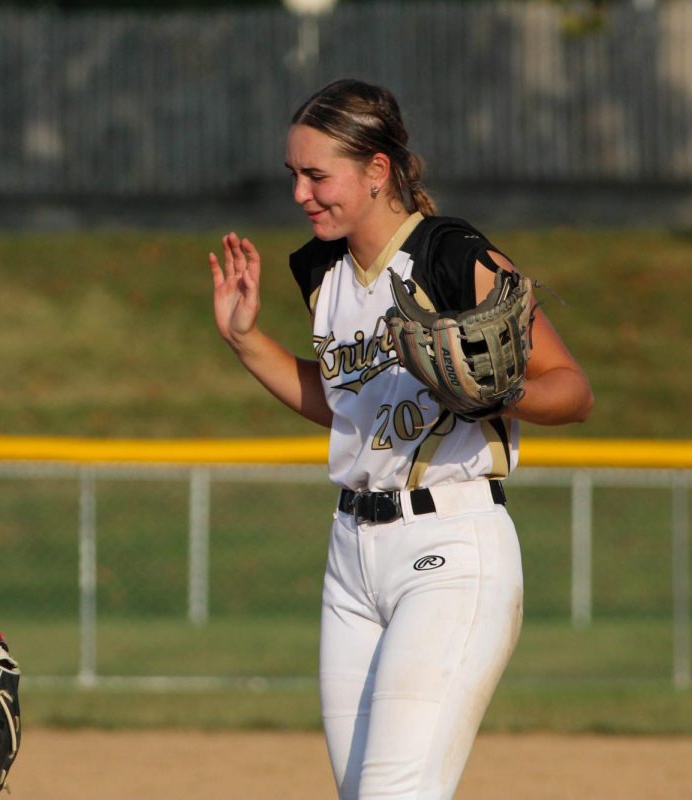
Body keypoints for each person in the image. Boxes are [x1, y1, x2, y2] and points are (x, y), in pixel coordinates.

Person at [210, 78, 593, 799]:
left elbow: (573, 390)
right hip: (351, 559)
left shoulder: (452, 255)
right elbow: (348, 409)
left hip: (449, 545)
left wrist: (498, 390)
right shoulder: (320, 270)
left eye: (317, 175)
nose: (300, 193)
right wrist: (245, 339)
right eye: (294, 175)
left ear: (377, 169)